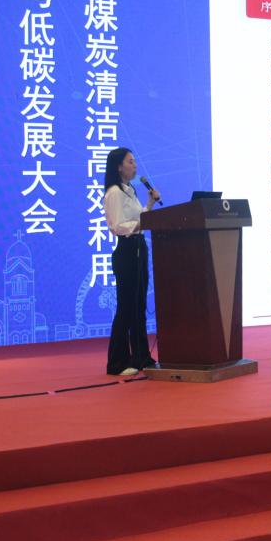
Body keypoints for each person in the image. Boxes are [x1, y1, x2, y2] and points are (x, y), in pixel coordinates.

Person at [102, 147, 161, 375]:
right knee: (126, 308)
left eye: (134, 161)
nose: (135, 165)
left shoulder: (130, 190)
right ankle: (117, 363)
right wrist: (141, 223)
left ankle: (140, 357)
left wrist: (150, 205)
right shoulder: (114, 192)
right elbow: (118, 226)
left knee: (138, 306)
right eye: (130, 161)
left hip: (139, 247)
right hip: (127, 250)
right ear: (118, 167)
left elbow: (138, 217)